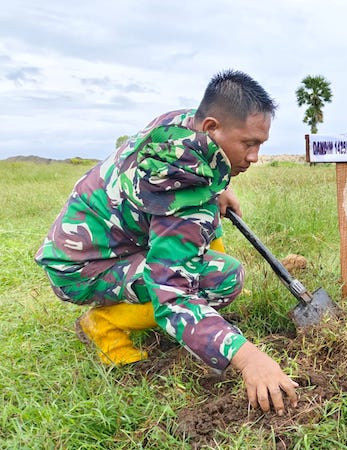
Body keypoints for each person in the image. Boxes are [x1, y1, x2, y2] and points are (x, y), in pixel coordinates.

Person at [35, 70, 298, 415]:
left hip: (110, 244)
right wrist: (249, 359)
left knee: (214, 260)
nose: (254, 157)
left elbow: (198, 173)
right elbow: (173, 296)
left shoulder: (184, 125)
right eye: (248, 144)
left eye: (259, 144)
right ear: (212, 128)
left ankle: (193, 314)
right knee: (220, 281)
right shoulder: (180, 189)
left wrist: (219, 185)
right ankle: (105, 324)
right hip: (81, 269)